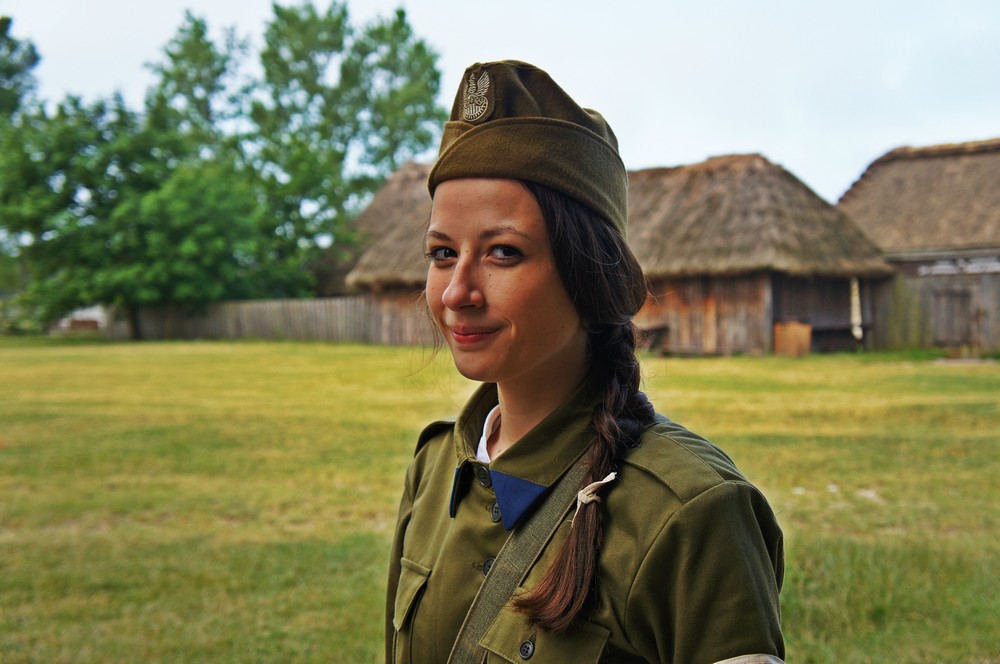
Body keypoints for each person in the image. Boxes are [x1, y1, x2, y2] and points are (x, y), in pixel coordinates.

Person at [385, 60, 784, 664]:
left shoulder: (692, 511)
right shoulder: (436, 468)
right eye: (442, 253)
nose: (456, 291)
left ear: (590, 273)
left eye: (503, 252)